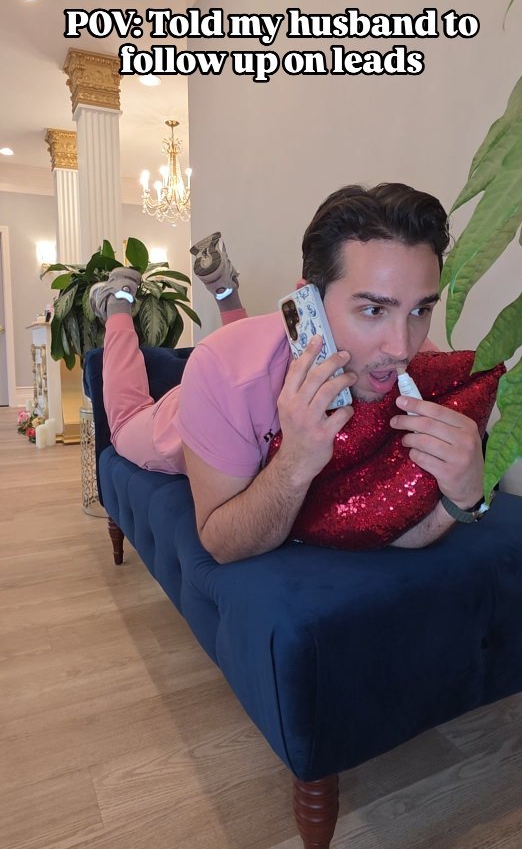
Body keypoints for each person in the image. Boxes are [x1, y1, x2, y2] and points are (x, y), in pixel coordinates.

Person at [91, 184, 491, 564]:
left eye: (420, 310)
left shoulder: (419, 363)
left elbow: (400, 524)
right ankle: (117, 306)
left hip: (251, 363)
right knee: (126, 418)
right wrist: (296, 460)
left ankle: (225, 290)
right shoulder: (221, 369)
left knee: (248, 353)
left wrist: (466, 496)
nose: (402, 349)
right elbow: (220, 543)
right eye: (373, 310)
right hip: (176, 419)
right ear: (307, 302)